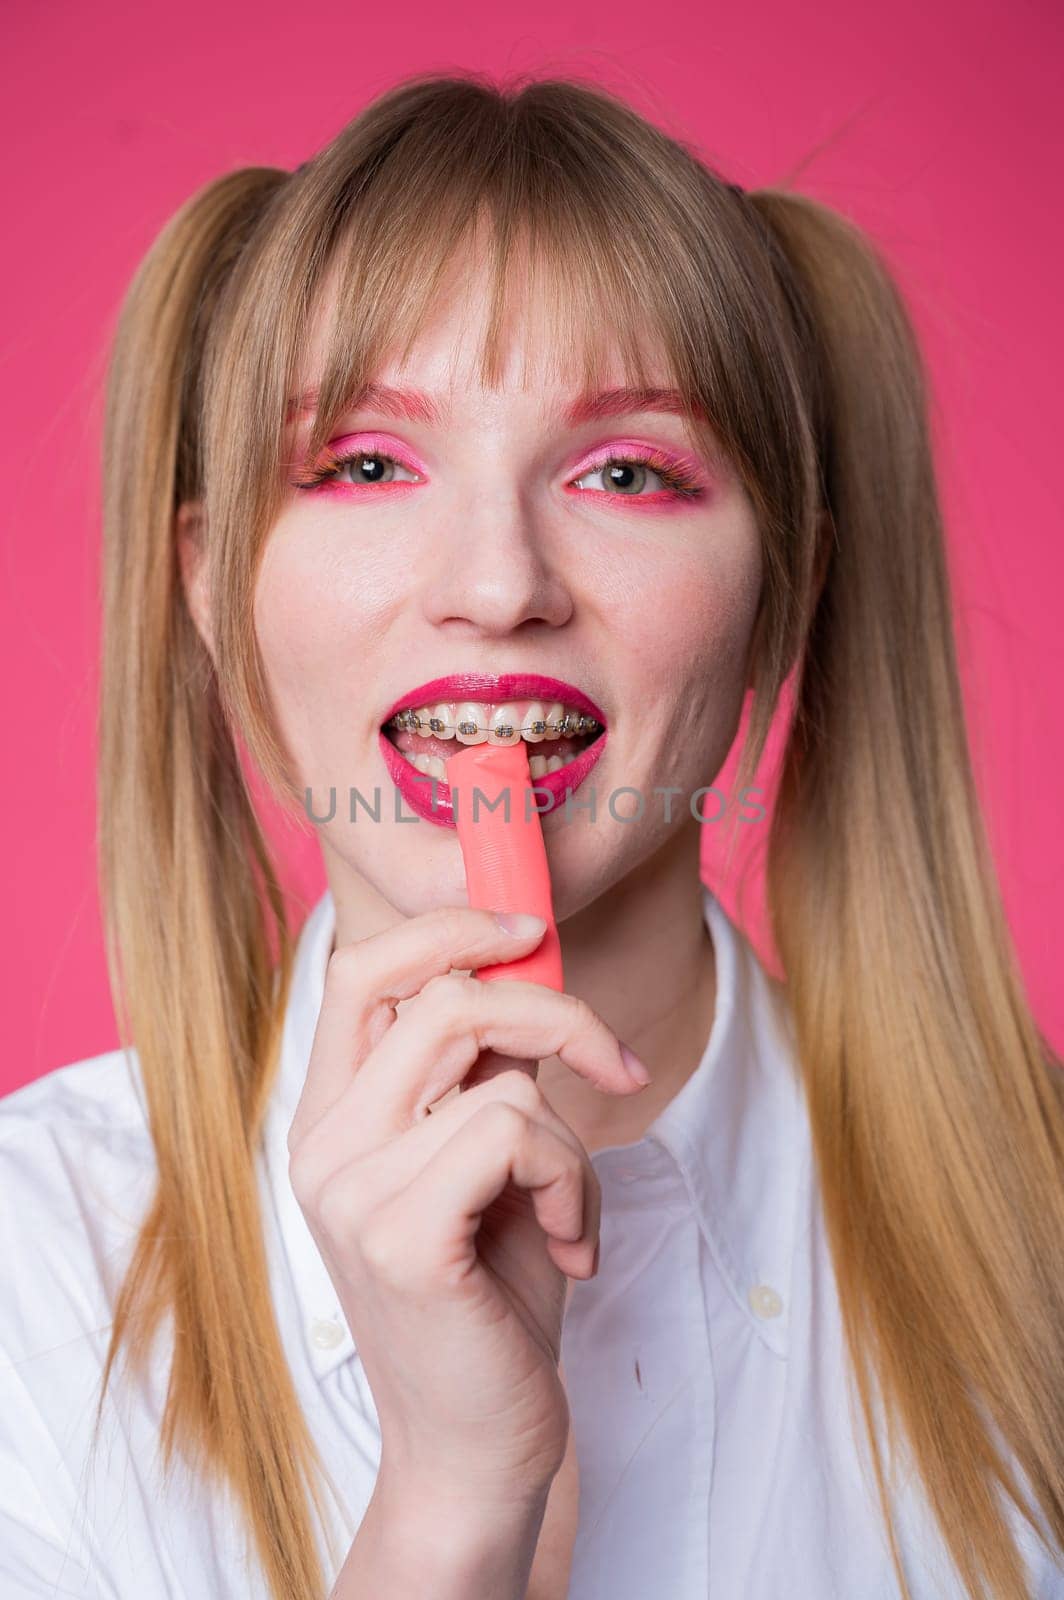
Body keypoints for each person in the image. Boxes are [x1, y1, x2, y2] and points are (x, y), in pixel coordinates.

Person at [1, 67, 1062, 1600]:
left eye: (629, 471)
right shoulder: (30, 1280)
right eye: (365, 463)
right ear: (210, 586)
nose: (499, 586)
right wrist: (449, 1503)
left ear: (789, 594)